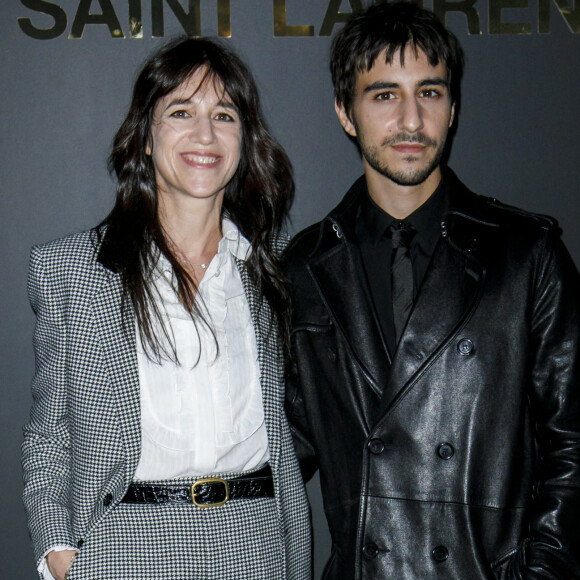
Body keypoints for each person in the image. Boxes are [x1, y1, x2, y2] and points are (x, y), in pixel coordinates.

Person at [284, 2, 580, 578]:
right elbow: (277, 450)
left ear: (453, 107)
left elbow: (572, 439)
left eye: (431, 93)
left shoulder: (525, 254)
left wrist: (541, 572)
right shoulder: (305, 268)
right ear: (347, 113)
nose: (412, 122)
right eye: (385, 95)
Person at [22, 37, 311, 580]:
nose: (205, 135)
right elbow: (48, 435)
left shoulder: (275, 269)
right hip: (125, 545)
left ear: (244, 140)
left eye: (224, 115)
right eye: (181, 111)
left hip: (258, 542)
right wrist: (59, 552)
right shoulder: (72, 270)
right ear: (146, 138)